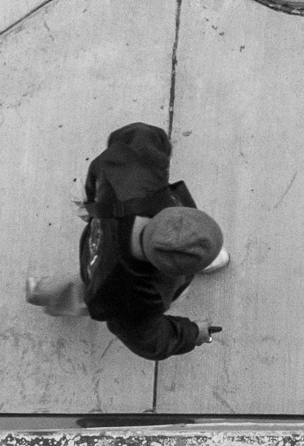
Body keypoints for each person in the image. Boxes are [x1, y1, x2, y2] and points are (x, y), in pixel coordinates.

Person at [25, 122, 228, 359]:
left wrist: (92, 197)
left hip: (102, 226)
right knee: (92, 293)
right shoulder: (134, 296)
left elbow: (139, 135)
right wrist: (192, 333)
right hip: (103, 271)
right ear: (167, 271)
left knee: (97, 281)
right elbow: (149, 340)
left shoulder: (136, 176)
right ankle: (45, 292)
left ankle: (42, 290)